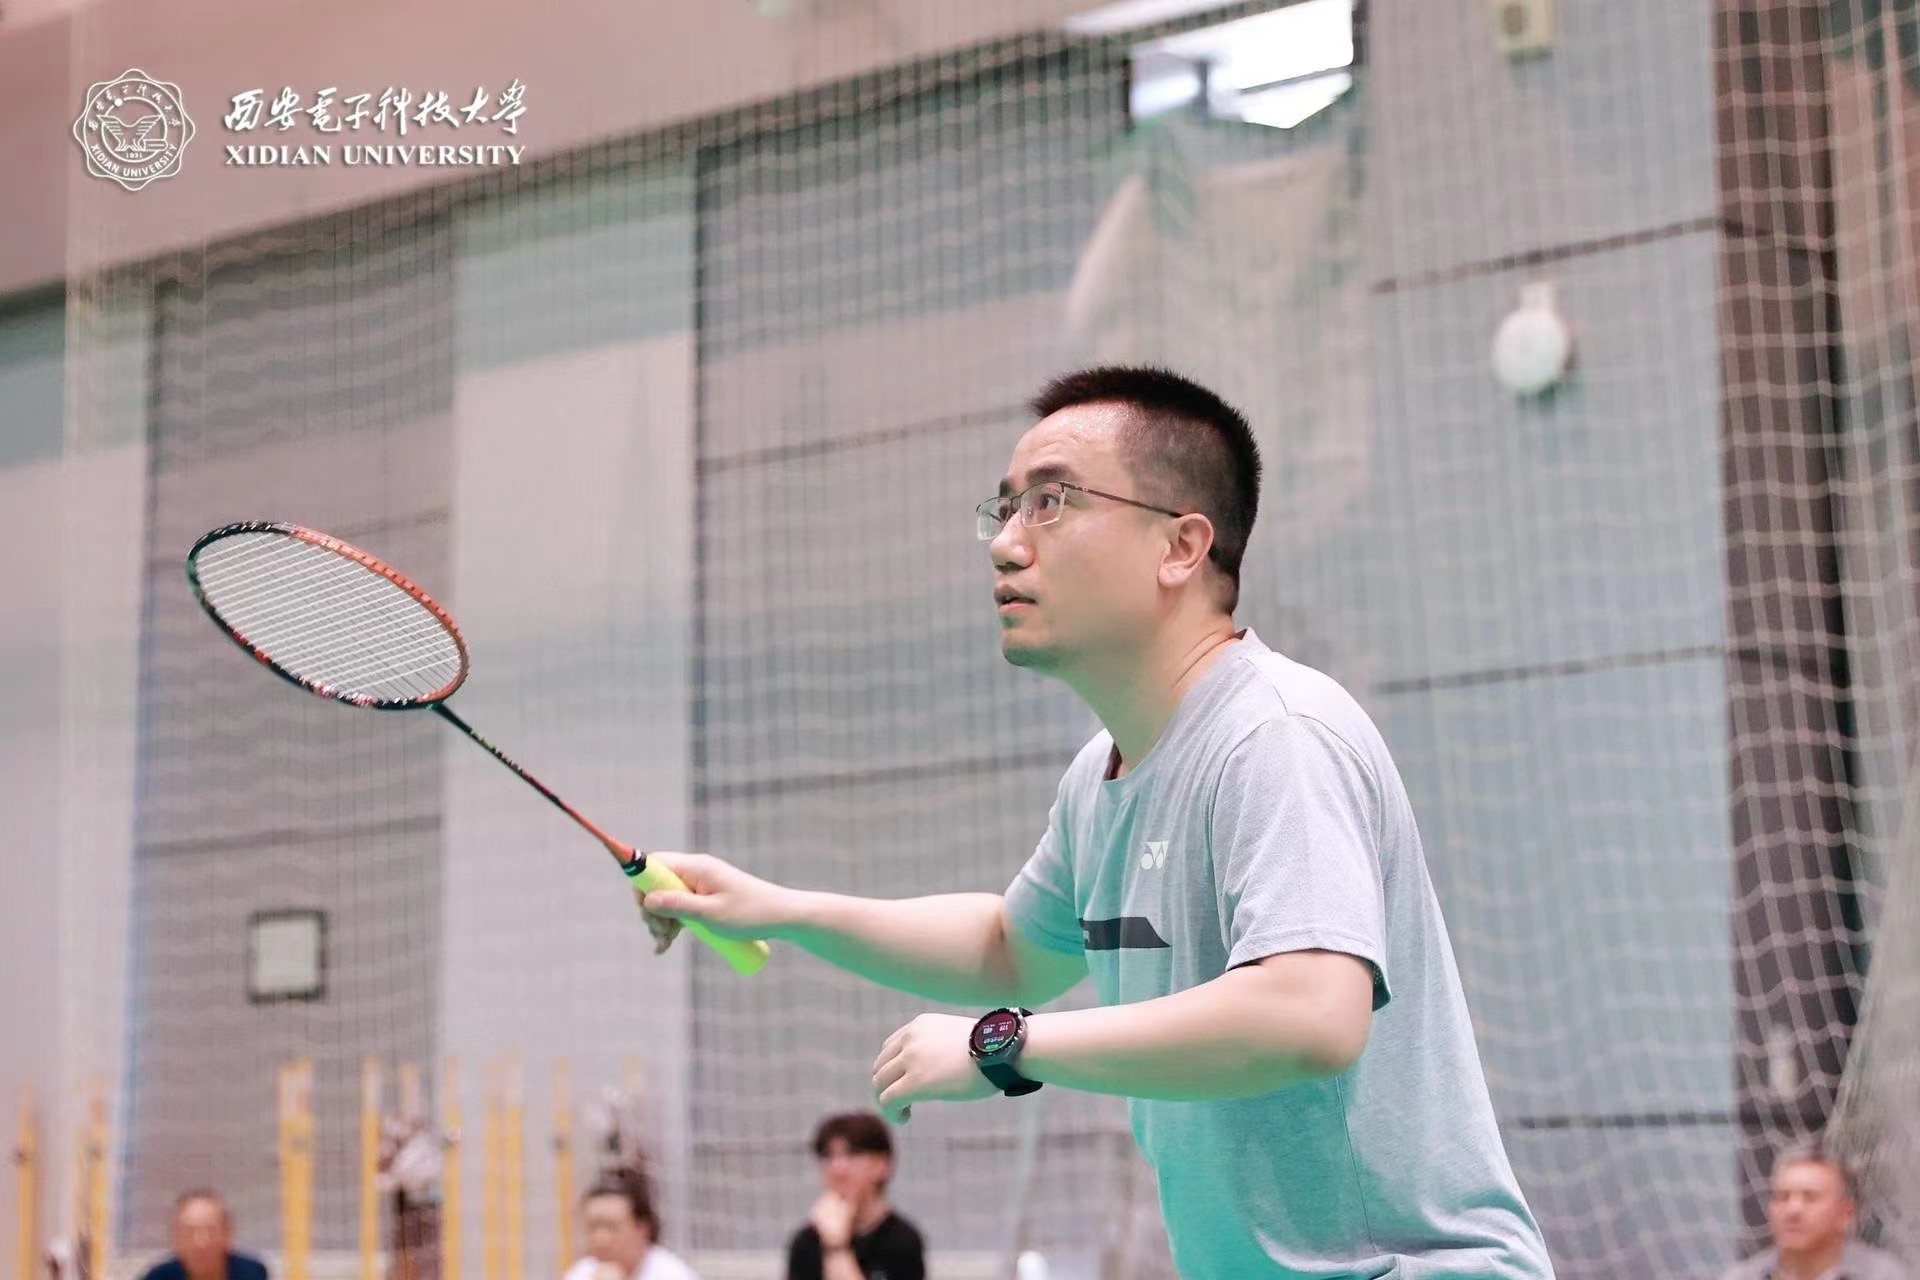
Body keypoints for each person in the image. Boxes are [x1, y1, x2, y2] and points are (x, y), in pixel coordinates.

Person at [640, 366, 1556, 1277]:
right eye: (1005, 510)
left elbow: (1311, 1012)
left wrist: (1004, 1047)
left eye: (1051, 502)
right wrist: (779, 908)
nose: (1006, 545)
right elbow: (1010, 948)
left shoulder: (1275, 736)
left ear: (1181, 547)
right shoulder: (1101, 777)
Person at [1719, 1141, 1909, 1280]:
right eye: (1782, 1197)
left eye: (1810, 1198)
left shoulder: (1881, 1275)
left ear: (1846, 1214)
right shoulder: (1741, 1277)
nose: (1792, 1210)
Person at [785, 1112, 924, 1280]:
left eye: (852, 1155)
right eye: (828, 1156)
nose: (837, 1169)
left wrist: (837, 1248)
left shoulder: (902, 1241)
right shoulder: (807, 1242)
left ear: (882, 1164)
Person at [560, 1171, 699, 1280]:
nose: (601, 1239)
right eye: (593, 1227)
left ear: (642, 1229)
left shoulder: (672, 1275)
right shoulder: (581, 1273)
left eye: (612, 1228)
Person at [136, 1192, 268, 1280]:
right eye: (190, 1232)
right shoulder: (158, 1277)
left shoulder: (252, 1274)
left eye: (211, 1231)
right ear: (175, 1238)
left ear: (228, 1234)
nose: (201, 1243)